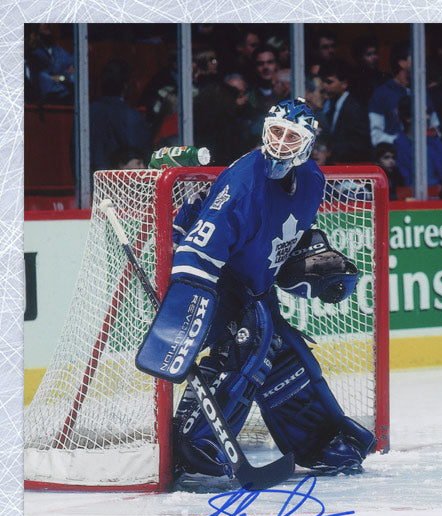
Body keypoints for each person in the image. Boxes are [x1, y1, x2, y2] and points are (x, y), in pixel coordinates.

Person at [136, 98, 376, 481]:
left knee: (284, 354)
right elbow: (198, 253)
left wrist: (311, 257)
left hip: (255, 287)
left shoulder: (312, 180)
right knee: (248, 349)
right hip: (216, 281)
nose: (280, 142)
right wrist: (185, 315)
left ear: (308, 144)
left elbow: (281, 234)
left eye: (291, 136)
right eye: (276, 131)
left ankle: (320, 441)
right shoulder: (244, 183)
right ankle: (194, 446)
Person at [368, 41, 440, 147]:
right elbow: (376, 137)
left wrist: (434, 133)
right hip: (395, 154)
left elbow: (436, 127)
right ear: (402, 63)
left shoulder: (422, 93)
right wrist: (403, 142)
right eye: (417, 58)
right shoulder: (381, 94)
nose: (423, 64)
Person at [89, 59, 152, 174]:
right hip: (118, 182)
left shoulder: (85, 114)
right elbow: (140, 159)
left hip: (90, 181)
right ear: (126, 86)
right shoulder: (132, 117)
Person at [318, 59, 371, 163]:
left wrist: (330, 150)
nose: (324, 86)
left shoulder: (354, 109)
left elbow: (359, 144)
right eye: (323, 82)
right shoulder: (329, 105)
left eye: (329, 82)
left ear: (344, 84)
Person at [393, 96, 442, 188]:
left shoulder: (437, 144)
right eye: (422, 113)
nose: (428, 117)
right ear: (408, 118)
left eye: (427, 113)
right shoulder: (397, 148)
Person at [349, 35, 391, 109]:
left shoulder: (384, 76)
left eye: (375, 53)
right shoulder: (353, 79)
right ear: (359, 57)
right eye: (369, 54)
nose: (374, 57)